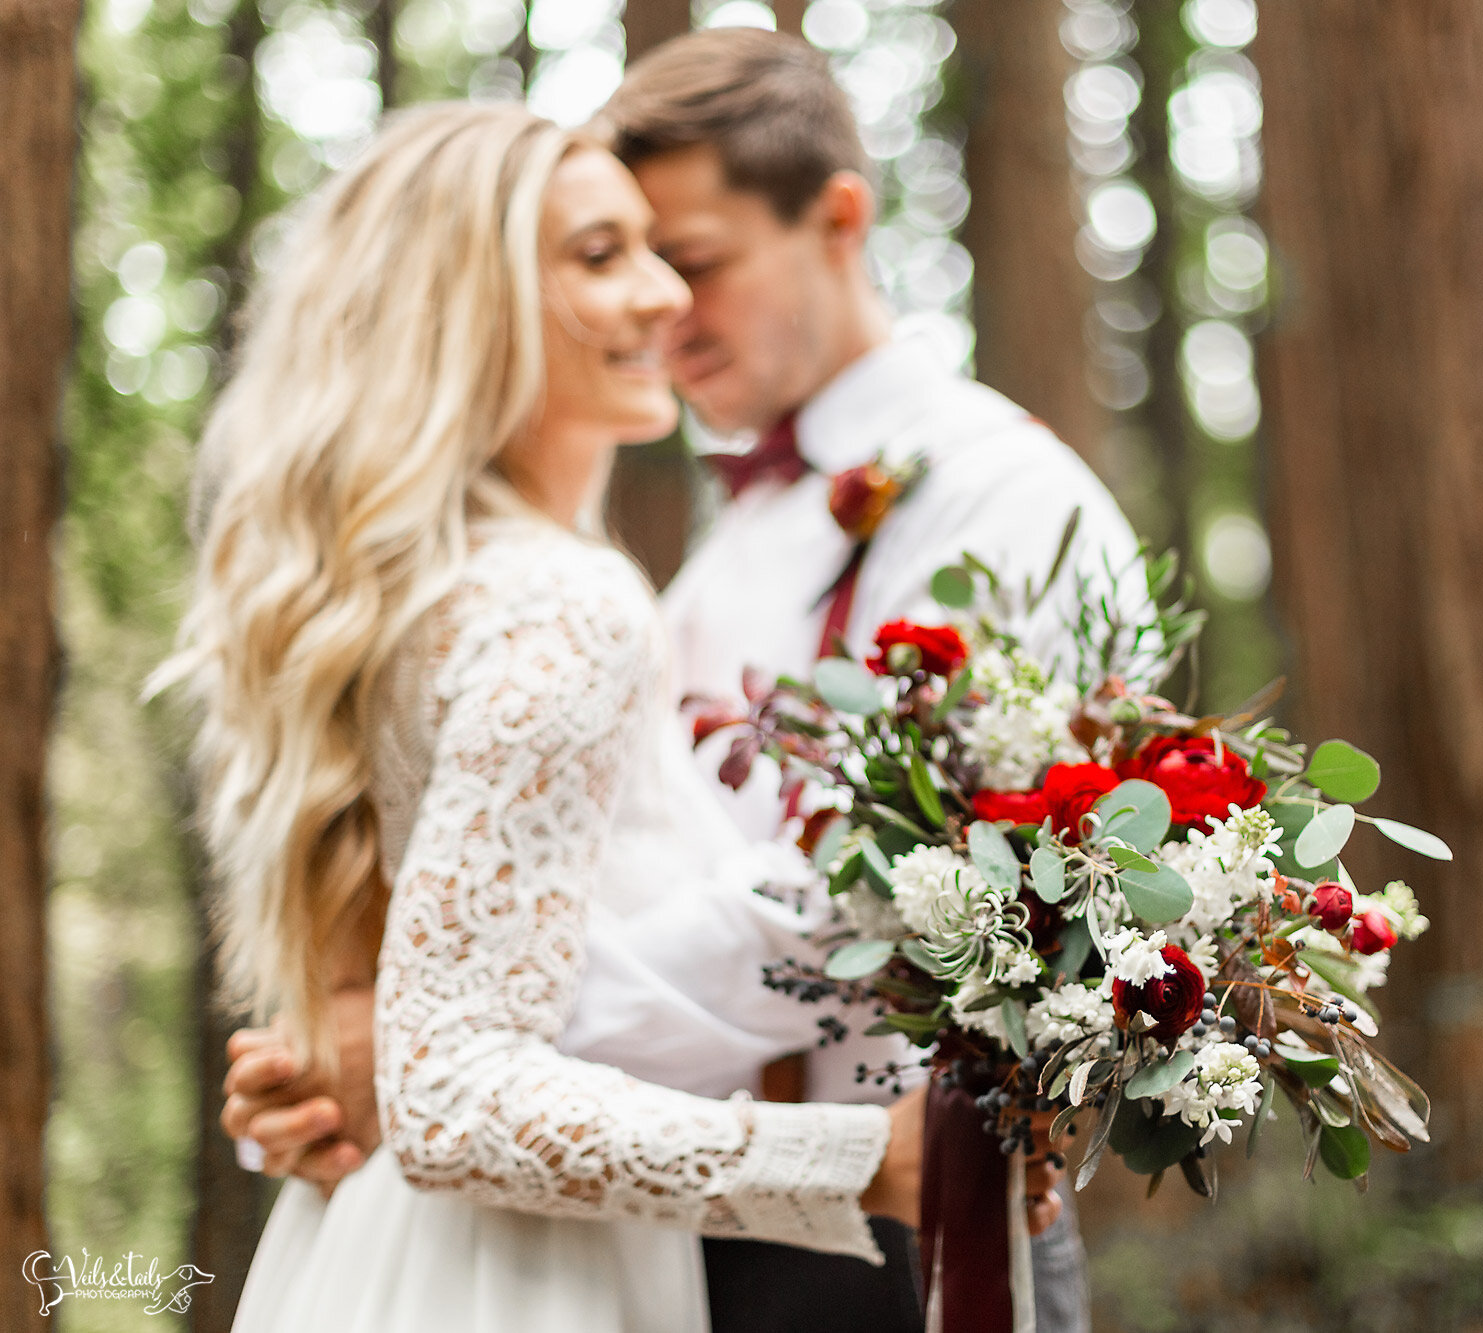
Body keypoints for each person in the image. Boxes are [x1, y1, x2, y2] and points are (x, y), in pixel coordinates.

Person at [226, 29, 1145, 1332]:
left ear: (837, 220)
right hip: (683, 1209)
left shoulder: (1002, 496)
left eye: (691, 258)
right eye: (611, 255)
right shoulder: (681, 565)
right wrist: (387, 1030)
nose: (664, 299)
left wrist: (463, 1034)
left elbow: (913, 886)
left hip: (896, 1220)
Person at [168, 102, 934, 1333]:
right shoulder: (560, 599)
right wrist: (864, 1164)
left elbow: (416, 1009)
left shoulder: (427, 586)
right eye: (597, 256)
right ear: (462, 302)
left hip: (372, 1246)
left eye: (656, 251)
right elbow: (456, 1091)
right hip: (521, 1276)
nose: (661, 297)